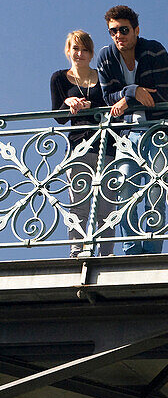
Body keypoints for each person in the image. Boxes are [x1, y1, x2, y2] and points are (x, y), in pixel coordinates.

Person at [97, 5, 168, 255]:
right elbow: (108, 96)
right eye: (113, 31)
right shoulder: (106, 57)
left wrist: (126, 100)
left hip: (159, 129)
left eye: (123, 30)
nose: (118, 35)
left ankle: (152, 252)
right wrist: (133, 92)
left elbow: (163, 93)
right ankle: (132, 252)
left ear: (136, 30)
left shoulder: (155, 50)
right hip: (127, 134)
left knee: (156, 191)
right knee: (125, 190)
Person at [50, 30, 113, 258]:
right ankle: (76, 252)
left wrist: (92, 108)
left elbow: (112, 109)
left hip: (106, 145)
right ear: (68, 51)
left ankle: (106, 254)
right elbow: (59, 116)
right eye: (76, 49)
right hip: (78, 145)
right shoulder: (59, 78)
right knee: (78, 202)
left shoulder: (102, 76)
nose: (80, 54)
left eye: (85, 49)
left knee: (107, 203)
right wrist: (68, 101)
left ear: (91, 53)